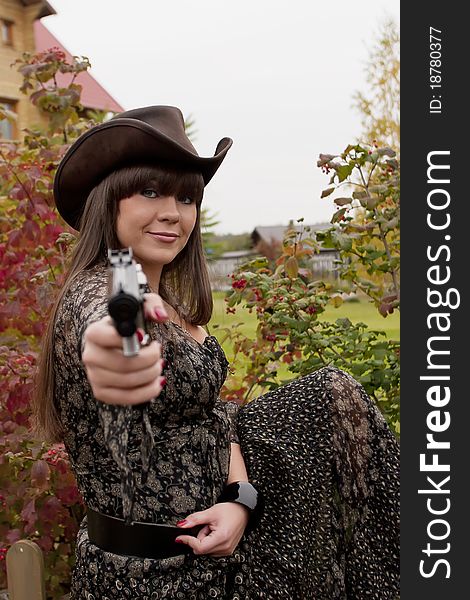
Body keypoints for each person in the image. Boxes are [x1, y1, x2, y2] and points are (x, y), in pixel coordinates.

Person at [33, 105, 400, 599]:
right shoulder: (103, 289)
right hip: (151, 579)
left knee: (331, 396)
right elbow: (108, 325)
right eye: (149, 191)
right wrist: (118, 353)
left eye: (187, 197)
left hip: (223, 554)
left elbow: (213, 417)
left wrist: (239, 498)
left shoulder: (177, 307)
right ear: (108, 202)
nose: (173, 212)